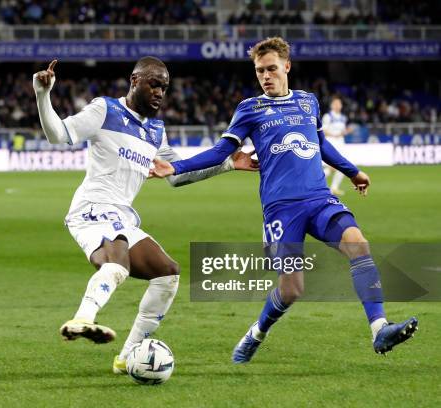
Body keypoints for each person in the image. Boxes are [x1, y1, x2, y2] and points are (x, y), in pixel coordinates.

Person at [150, 37, 417, 362]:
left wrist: (352, 172)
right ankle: (255, 334)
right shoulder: (250, 109)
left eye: (272, 69)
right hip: (281, 210)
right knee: (291, 290)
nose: (265, 76)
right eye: (260, 70)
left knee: (358, 243)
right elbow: (222, 152)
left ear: (286, 67)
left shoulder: (308, 102)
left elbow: (320, 144)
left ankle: (379, 329)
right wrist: (175, 166)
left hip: (319, 199)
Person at [32, 57, 258, 374]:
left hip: (123, 216)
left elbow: (176, 175)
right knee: (117, 263)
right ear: (135, 80)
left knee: (167, 274)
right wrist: (43, 95)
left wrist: (229, 164)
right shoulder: (104, 109)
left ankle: (125, 358)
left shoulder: (155, 131)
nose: (159, 93)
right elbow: (59, 134)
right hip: (93, 207)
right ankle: (82, 319)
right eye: (154, 84)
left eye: (164, 87)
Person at [322, 96, 351, 195]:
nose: (338, 105)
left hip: (340, 143)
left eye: (339, 104)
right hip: (331, 142)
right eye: (336, 103)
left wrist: (346, 132)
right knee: (333, 166)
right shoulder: (328, 116)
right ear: (332, 105)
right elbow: (324, 131)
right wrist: (335, 135)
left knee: (342, 166)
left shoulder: (343, 117)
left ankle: (334, 188)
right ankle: (315, 182)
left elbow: (342, 131)